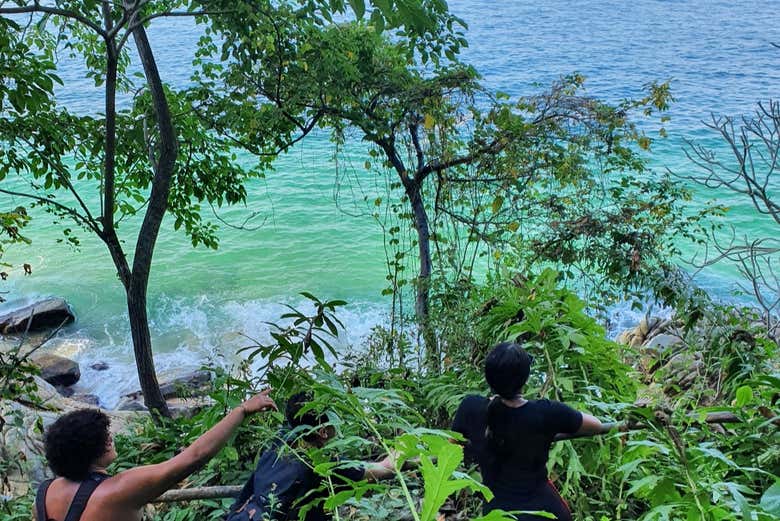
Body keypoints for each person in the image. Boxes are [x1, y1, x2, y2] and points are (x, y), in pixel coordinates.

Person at [34, 389, 277, 521]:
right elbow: (195, 456)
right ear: (88, 451)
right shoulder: (117, 492)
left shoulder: (44, 494)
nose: (110, 438)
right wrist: (243, 410)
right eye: (103, 437)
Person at [452, 342, 605, 520]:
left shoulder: (470, 408)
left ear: (489, 376)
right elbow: (597, 425)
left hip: (497, 514)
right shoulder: (546, 412)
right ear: (524, 378)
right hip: (543, 512)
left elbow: (450, 447)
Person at [226, 391, 399, 521]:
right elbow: (385, 468)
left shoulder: (279, 440)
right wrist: (406, 449)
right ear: (323, 432)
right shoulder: (323, 467)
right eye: (333, 416)